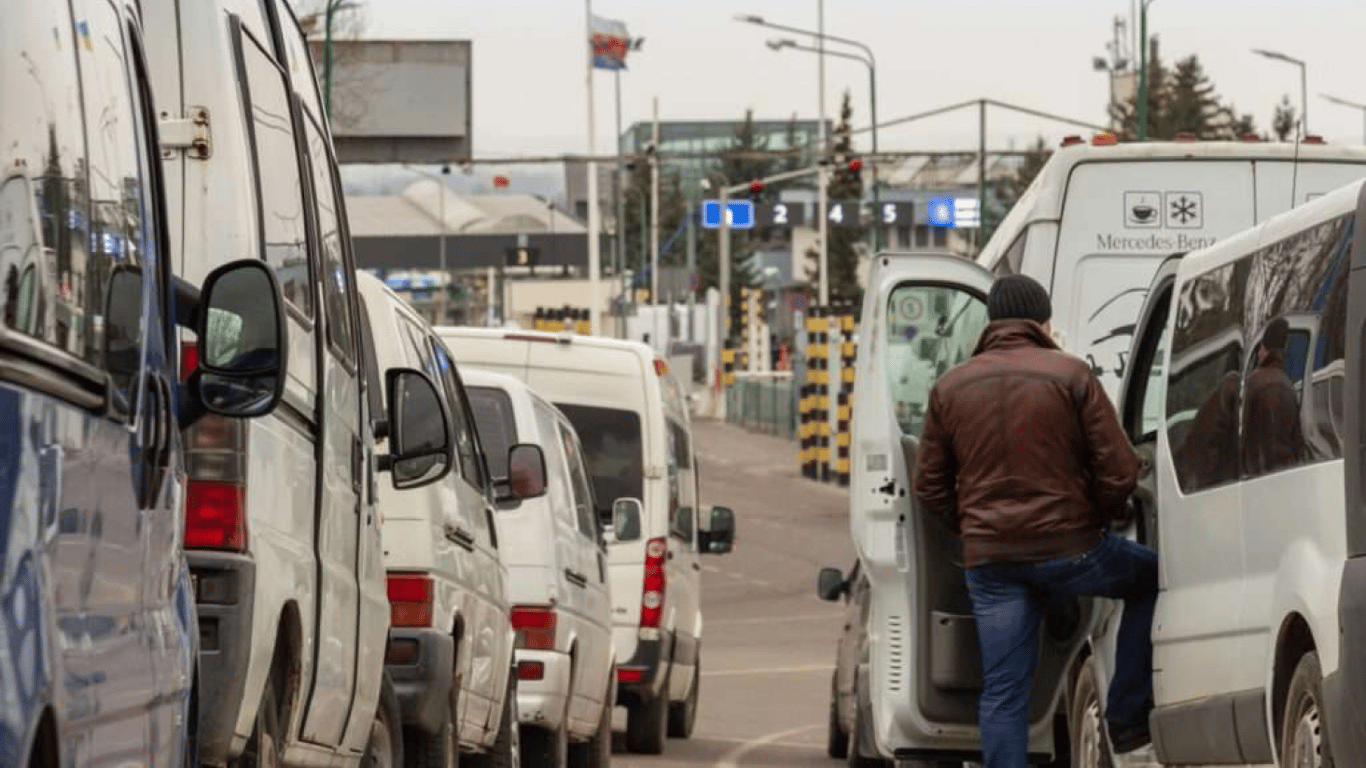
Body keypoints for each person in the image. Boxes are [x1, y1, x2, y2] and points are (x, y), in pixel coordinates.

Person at [912, 274, 1156, 767]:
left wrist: (975, 527)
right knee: (1148, 578)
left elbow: (928, 487)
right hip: (1072, 550)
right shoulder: (1071, 375)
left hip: (993, 564)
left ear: (992, 323)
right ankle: (1128, 724)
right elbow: (1121, 470)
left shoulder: (949, 386)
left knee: (1004, 690)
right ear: (1042, 322)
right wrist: (1099, 517)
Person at [1243, 317, 1306, 475]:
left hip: (1256, 479)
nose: (1258, 354)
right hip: (1286, 476)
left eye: (1261, 348)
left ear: (1267, 350)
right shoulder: (1289, 387)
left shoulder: (1252, 383)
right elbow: (1297, 441)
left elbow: (1240, 435)